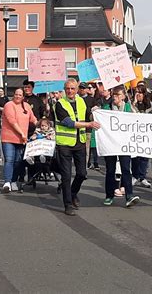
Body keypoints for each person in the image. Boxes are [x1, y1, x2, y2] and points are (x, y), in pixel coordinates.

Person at [54, 78, 100, 216]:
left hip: (79, 142)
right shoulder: (59, 104)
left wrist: (97, 113)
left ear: (77, 89)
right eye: (67, 88)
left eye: (72, 88)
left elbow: (87, 116)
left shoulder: (82, 101)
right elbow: (69, 123)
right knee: (66, 176)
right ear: (64, 89)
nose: (70, 91)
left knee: (82, 174)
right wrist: (89, 125)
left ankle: (72, 193)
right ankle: (67, 204)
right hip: (65, 144)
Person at [102, 85, 140, 207]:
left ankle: (129, 195)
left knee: (125, 169)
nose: (115, 97)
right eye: (114, 94)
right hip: (110, 143)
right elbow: (97, 119)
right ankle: (109, 195)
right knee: (110, 170)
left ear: (123, 96)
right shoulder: (107, 107)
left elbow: (138, 119)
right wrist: (95, 112)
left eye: (118, 95)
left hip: (124, 143)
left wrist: (134, 108)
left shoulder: (129, 108)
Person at [1, 88, 37, 192]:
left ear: (23, 97)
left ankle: (13, 180)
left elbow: (33, 119)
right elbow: (12, 121)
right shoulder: (9, 105)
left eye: (20, 95)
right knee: (9, 159)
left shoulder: (26, 106)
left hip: (21, 139)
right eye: (16, 94)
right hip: (9, 138)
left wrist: (43, 126)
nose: (17, 96)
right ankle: (7, 182)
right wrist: (22, 133)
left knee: (18, 161)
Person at [131, 85, 152, 187]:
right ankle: (135, 176)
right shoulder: (131, 104)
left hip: (146, 134)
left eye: (140, 92)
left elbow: (147, 116)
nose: (138, 94)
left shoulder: (149, 105)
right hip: (135, 134)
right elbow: (132, 115)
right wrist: (134, 103)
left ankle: (142, 177)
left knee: (144, 157)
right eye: (136, 92)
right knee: (135, 157)